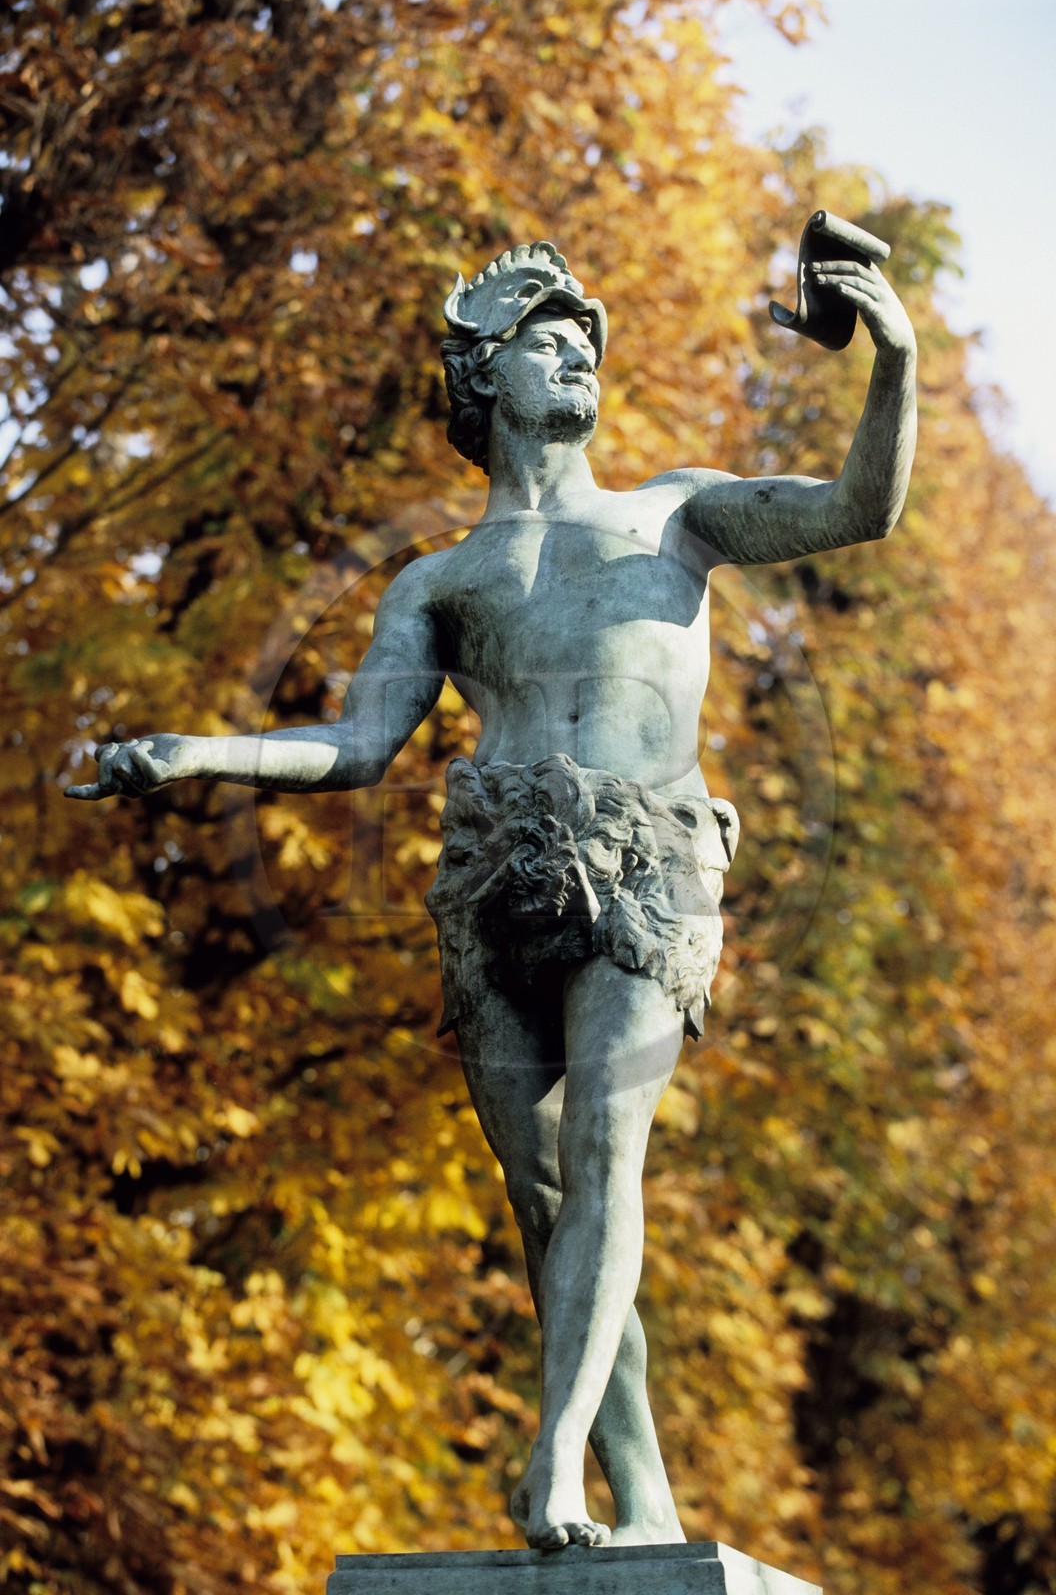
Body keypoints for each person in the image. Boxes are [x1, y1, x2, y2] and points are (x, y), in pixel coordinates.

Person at [67, 239, 916, 1551]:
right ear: (484, 376)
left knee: (604, 1151)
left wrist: (897, 360)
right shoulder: (439, 584)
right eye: (547, 335)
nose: (579, 351)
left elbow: (861, 506)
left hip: (645, 866)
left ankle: (556, 1460)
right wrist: (192, 752)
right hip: (492, 884)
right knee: (548, 1204)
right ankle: (646, 1493)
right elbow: (356, 751)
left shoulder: (676, 514)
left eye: (588, 337)